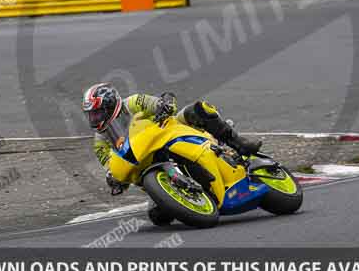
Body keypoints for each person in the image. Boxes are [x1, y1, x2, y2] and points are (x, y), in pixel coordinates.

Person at [81, 83, 262, 224]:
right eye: (91, 115)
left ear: (111, 105)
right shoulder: (100, 142)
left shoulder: (133, 102)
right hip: (145, 166)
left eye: (97, 113)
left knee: (198, 109)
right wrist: (114, 179)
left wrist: (165, 104)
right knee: (158, 217)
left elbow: (161, 102)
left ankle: (239, 143)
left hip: (168, 133)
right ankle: (184, 195)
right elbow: (110, 165)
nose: (94, 119)